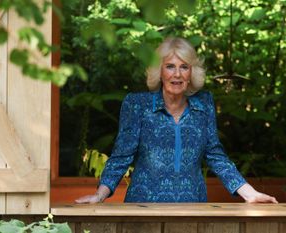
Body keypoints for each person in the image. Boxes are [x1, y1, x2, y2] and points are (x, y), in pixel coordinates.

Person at [75, 37, 278, 204]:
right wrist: (100, 195)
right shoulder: (137, 105)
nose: (177, 74)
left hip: (192, 208)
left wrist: (249, 193)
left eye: (184, 67)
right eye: (170, 66)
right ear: (159, 72)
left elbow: (216, 155)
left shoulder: (203, 105)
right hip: (143, 208)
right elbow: (121, 156)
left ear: (191, 73)